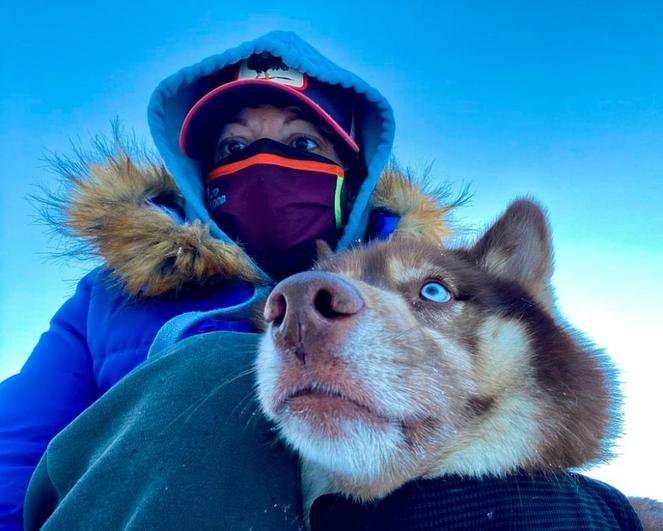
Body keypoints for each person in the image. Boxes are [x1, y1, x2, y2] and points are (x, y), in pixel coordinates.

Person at [0, 31, 452, 530]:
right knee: (210, 369)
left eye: (302, 143)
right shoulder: (109, 299)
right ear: (201, 176)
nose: (262, 162)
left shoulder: (432, 295)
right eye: (233, 146)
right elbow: (16, 451)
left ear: (353, 175)